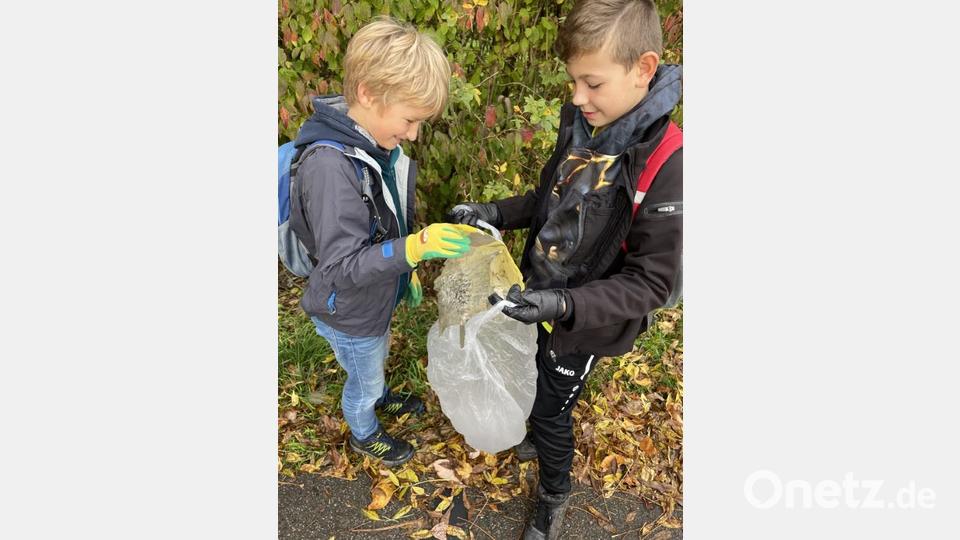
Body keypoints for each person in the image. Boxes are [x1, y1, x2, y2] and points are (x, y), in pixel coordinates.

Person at [446, 0, 682, 537]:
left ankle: (554, 495)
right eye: (574, 81)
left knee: (553, 411)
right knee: (531, 376)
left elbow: (652, 283)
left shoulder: (669, 164)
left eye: (592, 83)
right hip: (538, 293)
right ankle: (535, 424)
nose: (578, 97)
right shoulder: (583, 124)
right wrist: (494, 214)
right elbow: (547, 199)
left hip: (586, 322)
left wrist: (564, 305)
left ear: (644, 69)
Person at [289, 17, 475, 468]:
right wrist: (412, 249)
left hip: (373, 299)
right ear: (369, 94)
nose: (413, 134)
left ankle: (379, 390)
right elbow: (338, 268)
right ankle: (364, 429)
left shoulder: (373, 146)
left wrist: (403, 272)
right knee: (364, 378)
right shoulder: (330, 169)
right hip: (348, 311)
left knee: (376, 354)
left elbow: (381, 221)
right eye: (410, 119)